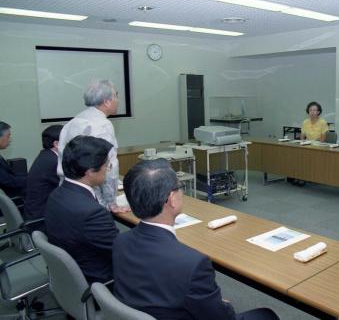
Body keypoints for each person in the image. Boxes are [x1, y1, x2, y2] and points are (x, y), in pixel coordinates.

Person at [113, 159, 279, 320]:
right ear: (171, 199)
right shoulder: (192, 264)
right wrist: (221, 305)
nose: (182, 192)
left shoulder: (121, 241)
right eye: (180, 187)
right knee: (266, 315)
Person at [46, 136, 119, 284]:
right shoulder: (92, 213)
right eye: (107, 166)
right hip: (100, 280)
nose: (107, 170)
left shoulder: (57, 194)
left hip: (73, 272)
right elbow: (121, 251)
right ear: (90, 171)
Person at [58, 79, 129, 213]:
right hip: (93, 199)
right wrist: (112, 203)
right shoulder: (102, 125)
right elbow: (109, 168)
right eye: (116, 96)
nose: (118, 100)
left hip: (68, 193)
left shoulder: (72, 122)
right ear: (106, 101)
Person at [24, 125, 63, 229]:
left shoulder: (46, 155)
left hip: (35, 210)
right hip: (42, 217)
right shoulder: (53, 162)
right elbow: (68, 188)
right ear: (57, 144)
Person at [0, 121, 27, 199]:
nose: (10, 139)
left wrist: (30, 175)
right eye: (8, 136)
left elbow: (11, 175)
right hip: (10, 196)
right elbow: (8, 181)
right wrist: (32, 179)